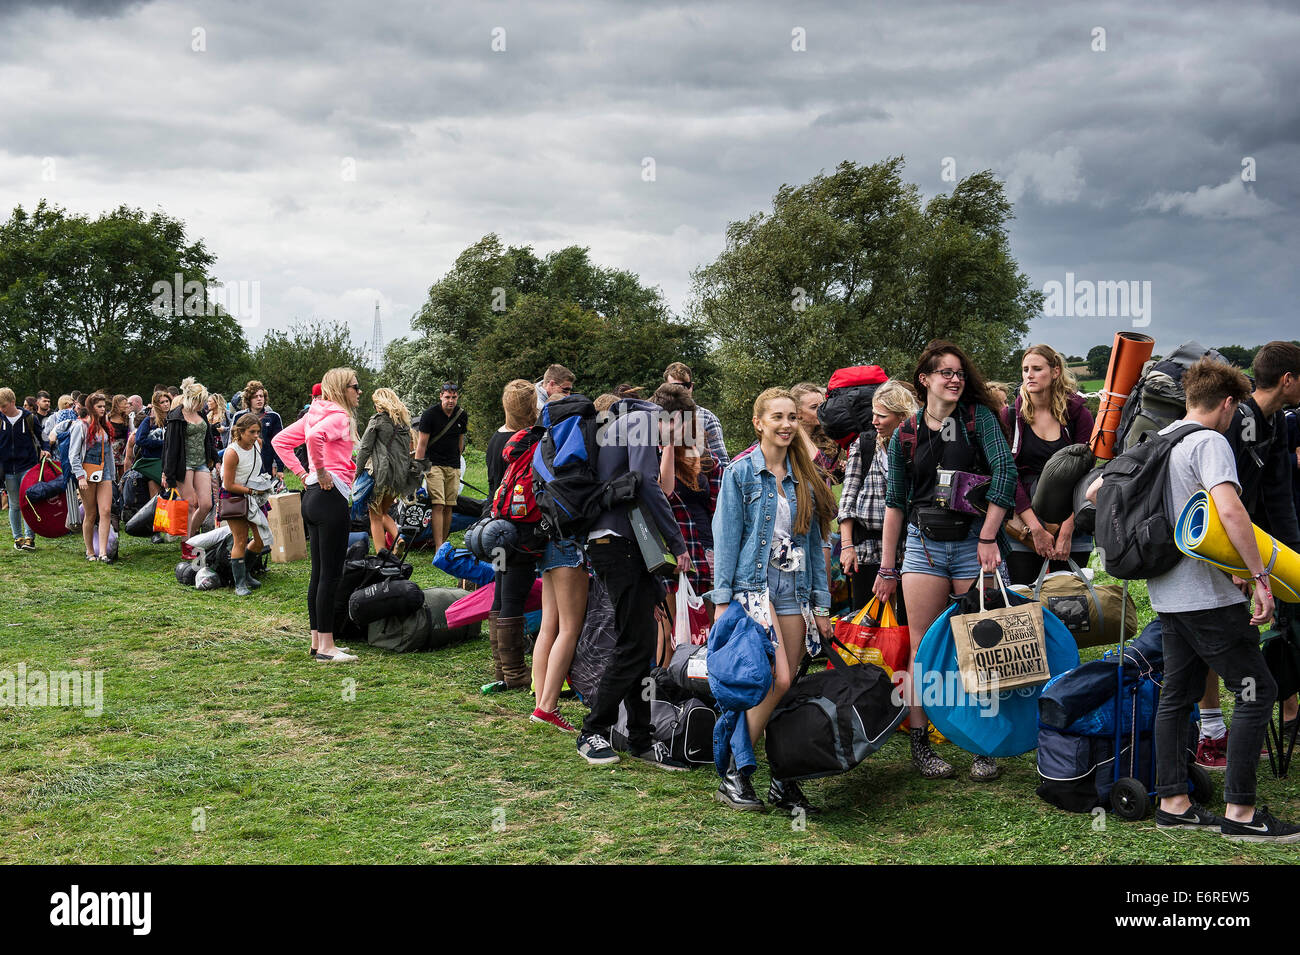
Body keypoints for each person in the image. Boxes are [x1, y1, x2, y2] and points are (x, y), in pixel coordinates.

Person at [1089, 358, 1297, 840]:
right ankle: (1241, 814)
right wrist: (1258, 575)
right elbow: (1230, 509)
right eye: (1234, 409)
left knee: (1177, 694)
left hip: (1167, 594)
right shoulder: (1209, 442)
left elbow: (1098, 491)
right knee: (1257, 690)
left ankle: (1174, 802)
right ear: (1227, 404)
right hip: (1207, 595)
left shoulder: (1159, 440)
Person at [875, 340, 1017, 782]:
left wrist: (990, 536)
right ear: (925, 380)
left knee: (981, 642)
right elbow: (895, 503)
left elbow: (1006, 474)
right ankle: (920, 744)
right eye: (944, 373)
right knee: (922, 648)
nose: (954, 379)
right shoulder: (906, 433)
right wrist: (886, 567)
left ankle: (982, 746)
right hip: (924, 546)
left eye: (959, 373)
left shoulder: (979, 421)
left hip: (975, 540)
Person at [708, 387, 837, 811]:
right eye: (776, 417)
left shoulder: (805, 478)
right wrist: (724, 600)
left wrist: (821, 607)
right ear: (758, 423)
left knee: (789, 687)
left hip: (794, 592)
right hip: (754, 591)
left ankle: (784, 781)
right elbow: (726, 540)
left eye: (791, 418)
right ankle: (735, 772)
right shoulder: (740, 473)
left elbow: (817, 547)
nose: (785, 425)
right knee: (774, 680)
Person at [1194, 341, 1300, 767]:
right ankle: (1211, 730)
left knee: (1245, 634)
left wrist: (1290, 555)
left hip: (1248, 549)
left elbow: (1278, 497)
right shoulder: (1236, 422)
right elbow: (1221, 501)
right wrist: (1236, 563)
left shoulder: (1275, 422)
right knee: (1214, 639)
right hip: (1215, 548)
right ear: (1288, 379)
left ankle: (1242, 727)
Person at [576, 391, 693, 771]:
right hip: (618, 546)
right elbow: (647, 484)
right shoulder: (642, 422)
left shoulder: (621, 421)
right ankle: (593, 729)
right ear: (672, 418)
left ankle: (641, 738)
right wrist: (678, 543)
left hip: (622, 545)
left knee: (641, 643)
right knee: (633, 643)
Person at [272, 367, 361, 663]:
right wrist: (319, 471)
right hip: (330, 495)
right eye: (354, 387)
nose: (359, 392)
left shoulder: (314, 413)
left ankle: (318, 642)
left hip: (312, 497)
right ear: (340, 389)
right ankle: (326, 647)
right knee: (330, 575)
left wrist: (303, 473)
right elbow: (314, 439)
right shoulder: (338, 417)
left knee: (319, 574)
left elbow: (280, 441)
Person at [1001, 344, 1096, 586]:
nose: (1029, 375)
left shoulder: (1078, 415)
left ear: (1055, 372)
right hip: (1024, 523)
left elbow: (1085, 475)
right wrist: (1034, 530)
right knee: (1025, 602)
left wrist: (1066, 532)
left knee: (1070, 605)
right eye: (1025, 369)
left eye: (1037, 369)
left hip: (1071, 520)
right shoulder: (1010, 416)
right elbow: (1009, 474)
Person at [530, 388, 590, 730]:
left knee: (549, 625)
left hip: (546, 540)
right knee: (569, 627)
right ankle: (548, 706)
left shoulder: (544, 444)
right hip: (570, 544)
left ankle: (541, 698)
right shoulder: (576, 446)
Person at [481, 380, 541, 695]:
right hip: (520, 528)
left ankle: (501, 667)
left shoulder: (496, 439)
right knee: (514, 597)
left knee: (501, 593)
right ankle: (516, 672)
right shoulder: (531, 440)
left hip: (494, 526)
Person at [838, 380, 919, 613]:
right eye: (873, 414)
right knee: (867, 619)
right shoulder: (864, 445)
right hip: (867, 547)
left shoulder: (918, 447)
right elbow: (848, 498)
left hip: (907, 546)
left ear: (901, 416)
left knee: (904, 618)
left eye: (882, 416)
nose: (874, 421)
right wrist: (847, 546)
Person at [654, 383, 722, 620]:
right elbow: (663, 492)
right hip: (671, 556)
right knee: (675, 633)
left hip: (707, 550)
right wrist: (669, 445)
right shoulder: (652, 454)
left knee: (709, 628)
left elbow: (719, 509)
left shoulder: (706, 457)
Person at [355, 388, 422, 555]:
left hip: (379, 474)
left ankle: (380, 554)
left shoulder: (377, 421)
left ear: (379, 403)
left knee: (375, 516)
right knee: (383, 512)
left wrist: (357, 472)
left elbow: (364, 448)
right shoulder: (404, 424)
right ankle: (398, 538)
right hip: (398, 478)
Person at [161, 377, 218, 555]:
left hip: (201, 462)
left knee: (206, 504)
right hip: (182, 464)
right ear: (193, 399)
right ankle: (187, 545)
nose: (204, 405)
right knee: (190, 504)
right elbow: (170, 447)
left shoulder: (201, 415)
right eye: (201, 401)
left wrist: (215, 458)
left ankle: (191, 537)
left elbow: (208, 439)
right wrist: (167, 474)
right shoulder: (176, 416)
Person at [220, 412, 272, 596]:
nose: (256, 436)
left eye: (258, 431)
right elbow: (228, 484)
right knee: (240, 540)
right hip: (234, 496)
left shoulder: (257, 444)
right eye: (252, 432)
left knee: (260, 540)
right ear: (240, 432)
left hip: (254, 496)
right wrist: (251, 491)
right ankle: (239, 583)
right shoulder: (232, 452)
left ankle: (247, 572)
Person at [415, 382, 467, 552]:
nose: (450, 401)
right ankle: (438, 546)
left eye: (454, 397)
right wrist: (418, 469)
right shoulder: (430, 415)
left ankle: (443, 544)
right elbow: (421, 444)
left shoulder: (461, 415)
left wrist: (457, 461)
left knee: (449, 505)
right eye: (447, 397)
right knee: (438, 504)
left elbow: (460, 441)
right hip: (433, 464)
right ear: (441, 396)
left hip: (453, 465)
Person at [69, 391, 117, 562]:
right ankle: (90, 551)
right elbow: (73, 454)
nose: (103, 409)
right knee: (90, 513)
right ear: (91, 408)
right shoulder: (80, 426)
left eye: (104, 406)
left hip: (104, 472)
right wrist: (80, 476)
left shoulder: (105, 426)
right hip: (86, 472)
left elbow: (109, 453)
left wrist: (112, 475)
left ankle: (103, 552)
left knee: (105, 511)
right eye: (99, 406)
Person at [0, 387, 43, 551]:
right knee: (14, 504)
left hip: (28, 465)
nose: (1, 409)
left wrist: (45, 449)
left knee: (28, 501)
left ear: (12, 402)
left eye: (4, 406)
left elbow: (42, 437)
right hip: (8, 468)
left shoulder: (29, 417)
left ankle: (29, 537)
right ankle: (17, 537)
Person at [664, 362, 730, 468]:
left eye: (685, 386)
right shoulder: (657, 417)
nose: (680, 391)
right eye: (674, 387)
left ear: (691, 386)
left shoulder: (707, 418)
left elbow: (723, 464)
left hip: (698, 480)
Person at [126, 391, 170, 543]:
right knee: (156, 497)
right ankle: (156, 531)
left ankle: (170, 527)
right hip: (152, 462)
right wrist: (162, 444)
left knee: (171, 495)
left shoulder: (173, 420)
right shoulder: (149, 421)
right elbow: (140, 440)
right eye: (162, 402)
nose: (165, 404)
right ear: (156, 404)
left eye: (167, 401)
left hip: (169, 461)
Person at [241, 380, 284, 479]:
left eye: (261, 396)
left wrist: (278, 466)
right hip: (245, 465)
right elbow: (232, 442)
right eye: (255, 396)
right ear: (249, 399)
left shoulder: (273, 417)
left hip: (267, 465)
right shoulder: (240, 417)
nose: (259, 399)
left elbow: (278, 443)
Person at [107, 394, 132, 477]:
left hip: (123, 450)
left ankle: (122, 489)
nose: (127, 406)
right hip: (110, 449)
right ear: (117, 405)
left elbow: (132, 432)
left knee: (123, 474)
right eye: (124, 404)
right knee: (111, 474)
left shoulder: (127, 418)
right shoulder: (108, 417)